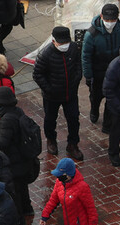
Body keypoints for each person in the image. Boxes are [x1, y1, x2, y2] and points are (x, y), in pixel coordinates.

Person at [33, 26, 83, 161]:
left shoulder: (73, 48)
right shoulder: (45, 54)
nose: (64, 46)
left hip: (70, 94)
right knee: (50, 119)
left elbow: (78, 65)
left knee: (73, 119)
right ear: (54, 41)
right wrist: (49, 89)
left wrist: (76, 80)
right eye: (61, 43)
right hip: (52, 96)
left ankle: (73, 144)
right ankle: (51, 140)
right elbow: (37, 74)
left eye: (65, 42)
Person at [0, 86, 35, 220]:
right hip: (24, 158)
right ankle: (28, 209)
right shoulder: (17, 112)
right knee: (23, 187)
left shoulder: (6, 120)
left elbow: (2, 143)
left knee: (14, 192)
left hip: (14, 161)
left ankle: (19, 219)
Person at [82, 4, 120, 132]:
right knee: (96, 96)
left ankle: (107, 125)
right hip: (98, 73)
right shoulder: (91, 34)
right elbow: (86, 57)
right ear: (101, 17)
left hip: (115, 72)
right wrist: (88, 76)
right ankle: (94, 110)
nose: (110, 23)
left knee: (112, 99)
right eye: (107, 20)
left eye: (112, 20)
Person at [40, 158, 98, 225]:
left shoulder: (82, 187)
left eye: (61, 176)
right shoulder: (59, 183)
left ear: (69, 174)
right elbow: (53, 200)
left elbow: (90, 207)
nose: (59, 178)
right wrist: (45, 216)